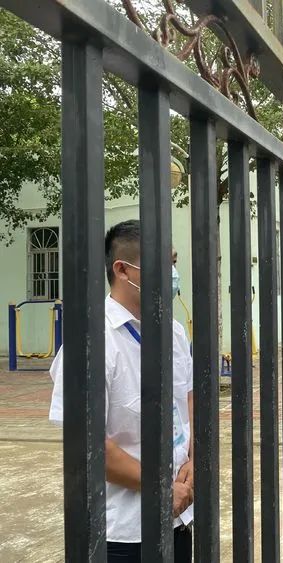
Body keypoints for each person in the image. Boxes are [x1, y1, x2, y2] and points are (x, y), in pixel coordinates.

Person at [49, 220, 194, 562]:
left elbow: (187, 399)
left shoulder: (173, 332)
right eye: (162, 264)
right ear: (122, 270)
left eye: (174, 263)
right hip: (124, 533)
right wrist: (161, 489)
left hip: (181, 516)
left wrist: (194, 462)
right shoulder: (92, 343)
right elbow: (88, 447)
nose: (172, 274)